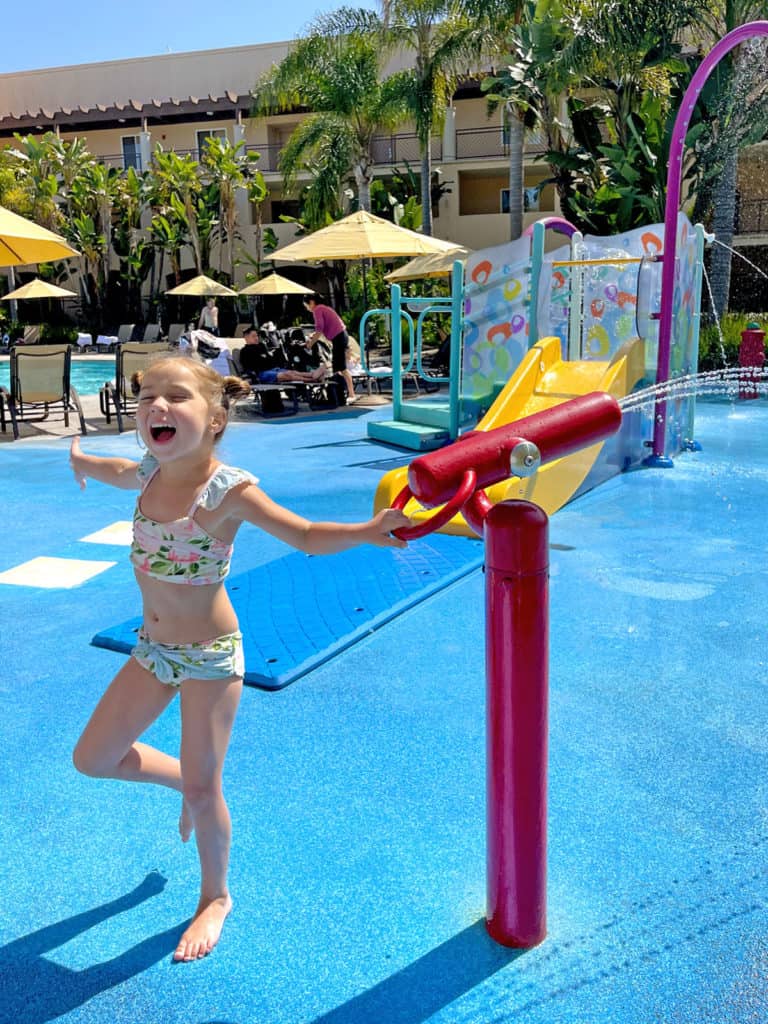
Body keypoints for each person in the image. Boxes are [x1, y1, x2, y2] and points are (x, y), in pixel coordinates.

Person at [68, 353, 410, 963]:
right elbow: (118, 468)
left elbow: (303, 535)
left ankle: (215, 897)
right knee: (92, 758)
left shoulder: (228, 492)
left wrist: (366, 529)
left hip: (209, 657)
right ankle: (186, 780)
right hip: (154, 650)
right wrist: (82, 462)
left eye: (175, 397)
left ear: (216, 417)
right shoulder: (148, 472)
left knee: (207, 793)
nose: (156, 408)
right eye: (147, 397)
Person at [302, 293, 355, 404]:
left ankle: (351, 394)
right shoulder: (324, 308)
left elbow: (320, 329)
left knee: (341, 368)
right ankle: (341, 393)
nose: (307, 309)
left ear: (311, 302)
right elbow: (322, 329)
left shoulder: (317, 310)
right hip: (340, 336)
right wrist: (313, 335)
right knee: (337, 367)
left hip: (339, 337)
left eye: (306, 306)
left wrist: (310, 344)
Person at [238, 326, 327, 385]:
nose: (256, 338)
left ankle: (313, 374)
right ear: (246, 337)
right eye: (253, 336)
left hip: (273, 369)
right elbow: (248, 367)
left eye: (257, 336)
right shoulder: (244, 351)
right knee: (287, 375)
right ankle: (314, 379)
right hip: (261, 374)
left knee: (292, 372)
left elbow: (269, 359)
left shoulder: (261, 347)